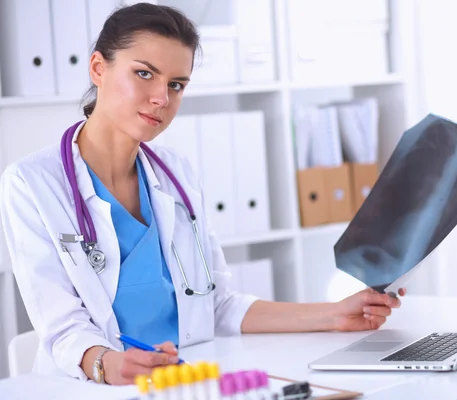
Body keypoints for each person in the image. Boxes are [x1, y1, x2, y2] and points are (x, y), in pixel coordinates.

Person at [0, 3, 406, 386]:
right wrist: (107, 363)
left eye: (176, 84)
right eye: (144, 73)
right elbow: (62, 328)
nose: (162, 98)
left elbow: (218, 305)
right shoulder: (31, 183)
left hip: (182, 382)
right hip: (92, 387)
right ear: (98, 68)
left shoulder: (175, 172)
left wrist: (334, 315)